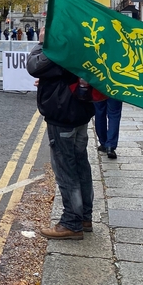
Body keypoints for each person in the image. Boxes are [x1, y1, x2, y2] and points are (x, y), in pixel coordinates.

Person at [28, 27, 99, 240]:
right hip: (79, 113)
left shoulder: (61, 48)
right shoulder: (83, 44)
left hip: (63, 115)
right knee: (80, 166)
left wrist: (42, 43)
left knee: (66, 169)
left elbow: (34, 65)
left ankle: (71, 222)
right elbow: (62, 74)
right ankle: (84, 217)